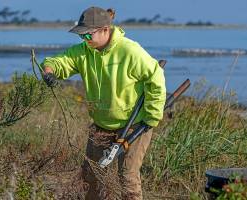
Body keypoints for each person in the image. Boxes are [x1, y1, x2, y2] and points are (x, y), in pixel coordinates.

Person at [41, 6, 166, 200]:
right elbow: (60, 62)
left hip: (135, 125)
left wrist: (152, 116)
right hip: (102, 125)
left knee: (127, 177)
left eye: (88, 35)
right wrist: (49, 70)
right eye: (82, 36)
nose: (85, 40)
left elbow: (155, 77)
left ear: (105, 30)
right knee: (91, 175)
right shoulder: (84, 51)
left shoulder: (129, 50)